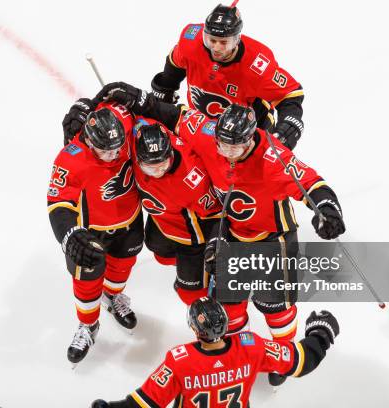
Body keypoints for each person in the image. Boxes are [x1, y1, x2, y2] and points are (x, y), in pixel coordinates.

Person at [95, 82, 346, 384]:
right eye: (222, 145)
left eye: (233, 147)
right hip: (231, 235)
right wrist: (140, 98)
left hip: (272, 239)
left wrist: (328, 211)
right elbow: (175, 116)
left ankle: (282, 354)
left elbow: (313, 185)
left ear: (251, 138)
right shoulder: (209, 135)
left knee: (274, 305)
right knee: (229, 305)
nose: (225, 152)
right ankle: (242, 355)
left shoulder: (272, 158)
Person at [90, 297, 339, 408]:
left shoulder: (180, 360)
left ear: (194, 329)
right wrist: (321, 335)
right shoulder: (251, 346)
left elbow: (145, 403)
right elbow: (301, 361)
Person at [48, 102, 144, 365]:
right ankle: (88, 325)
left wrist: (84, 105)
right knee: (87, 279)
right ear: (90, 141)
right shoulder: (70, 157)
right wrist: (69, 235)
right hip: (92, 232)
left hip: (131, 221)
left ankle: (113, 297)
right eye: (105, 150)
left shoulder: (123, 122)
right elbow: (58, 203)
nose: (113, 155)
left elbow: (115, 99)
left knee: (122, 267)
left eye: (117, 148)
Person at [130, 121, 248, 333]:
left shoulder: (191, 179)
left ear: (171, 154)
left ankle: (231, 330)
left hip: (194, 239)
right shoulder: (134, 143)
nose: (157, 171)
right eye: (150, 166)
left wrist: (216, 244)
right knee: (161, 254)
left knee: (201, 296)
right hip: (166, 224)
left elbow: (216, 216)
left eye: (162, 164)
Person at [151, 3, 305, 150]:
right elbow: (175, 64)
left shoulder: (257, 64)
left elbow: (290, 94)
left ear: (237, 39)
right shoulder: (191, 42)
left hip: (246, 135)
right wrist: (164, 93)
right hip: (202, 126)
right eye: (211, 40)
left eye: (223, 42)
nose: (216, 48)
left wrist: (287, 128)